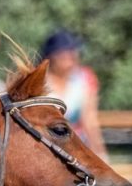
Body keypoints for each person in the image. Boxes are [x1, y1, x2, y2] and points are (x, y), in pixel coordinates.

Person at [40, 30, 107, 158]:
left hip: (77, 143)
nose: (71, 59)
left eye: (73, 54)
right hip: (45, 144)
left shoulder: (84, 78)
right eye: (65, 55)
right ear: (52, 57)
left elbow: (89, 119)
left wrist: (99, 151)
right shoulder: (39, 81)